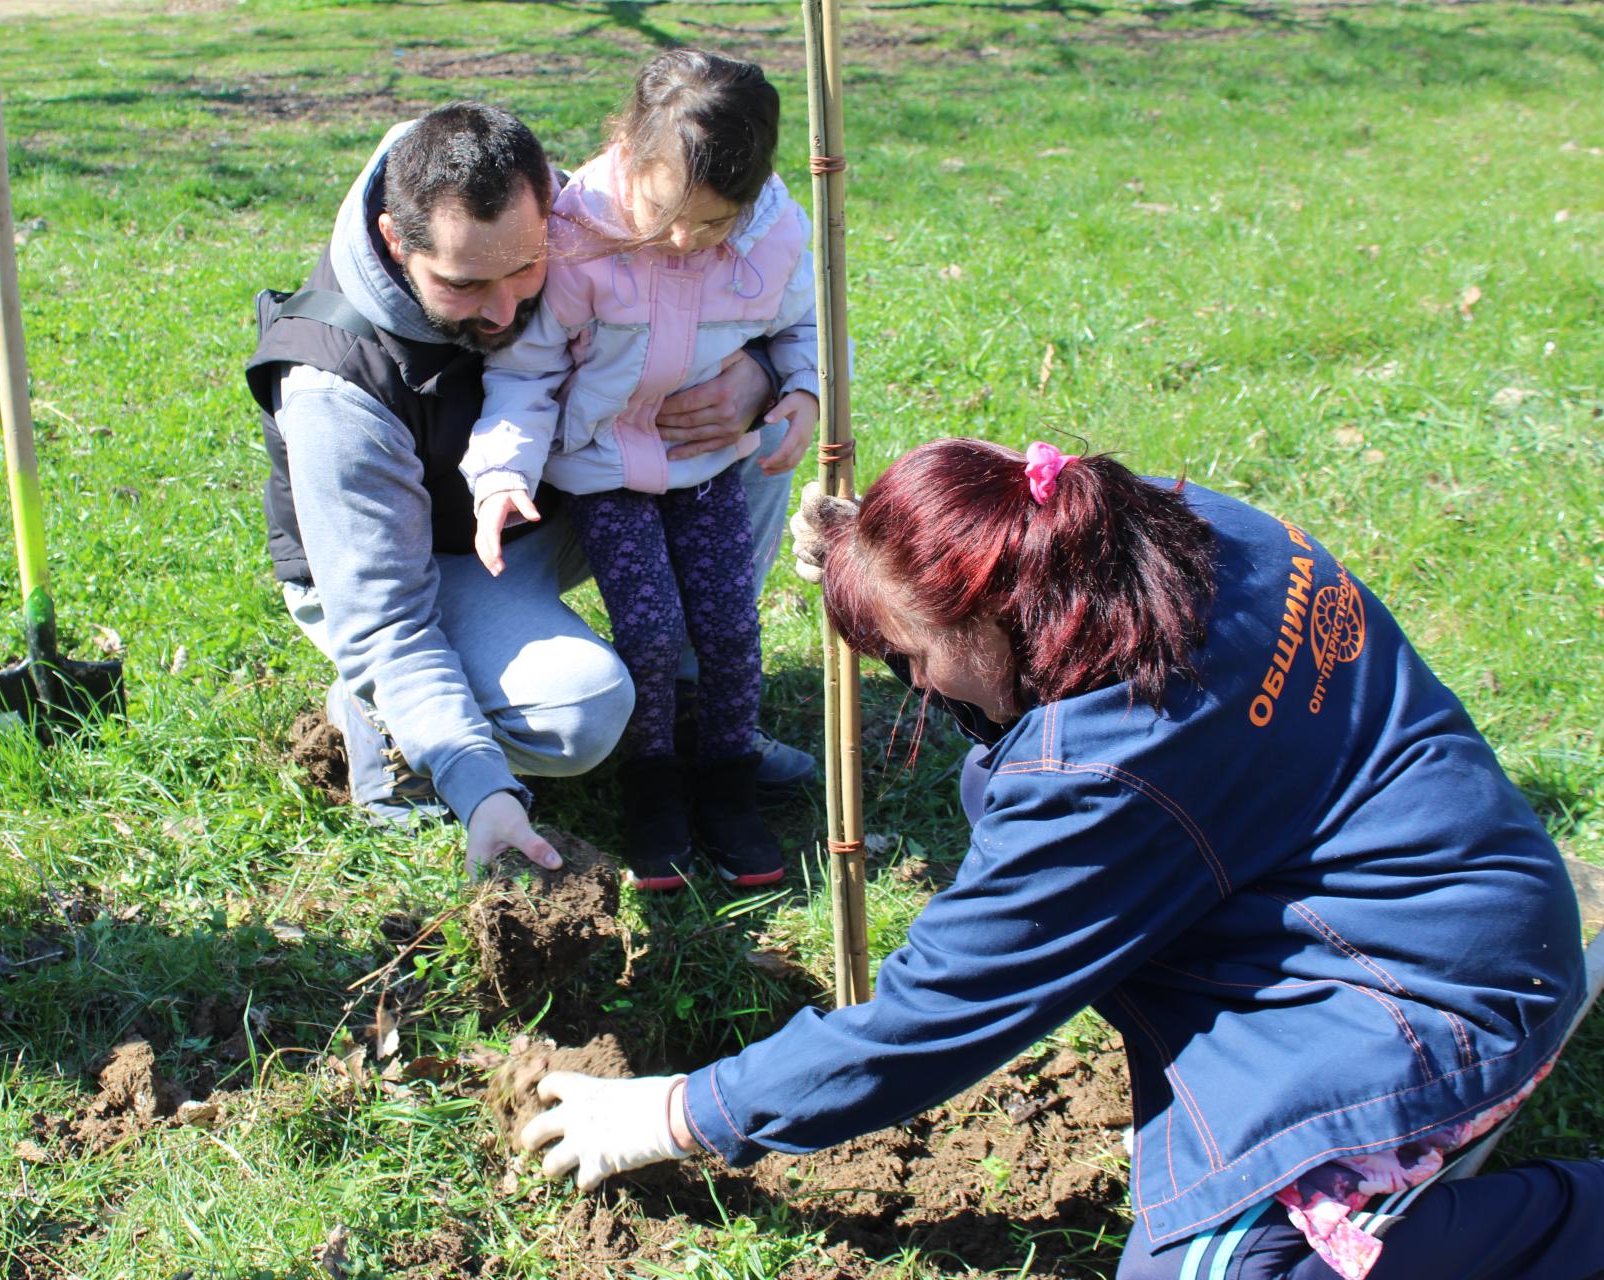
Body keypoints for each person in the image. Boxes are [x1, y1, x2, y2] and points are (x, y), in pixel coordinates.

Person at [518, 438, 1601, 1278]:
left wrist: (675, 1112)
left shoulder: (1102, 781)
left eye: (911, 655)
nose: (919, 684)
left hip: (1425, 1001)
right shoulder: (1185, 528)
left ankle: (1552, 1217)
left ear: (995, 609)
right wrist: (877, 558)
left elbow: (926, 1022)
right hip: (1478, 885)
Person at [244, 101, 813, 878]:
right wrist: (481, 788)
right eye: (464, 286)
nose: (506, 311)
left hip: (548, 506)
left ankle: (692, 703)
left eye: (526, 269)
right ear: (394, 241)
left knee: (740, 441)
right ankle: (392, 721)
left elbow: (707, 307)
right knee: (581, 713)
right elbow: (386, 618)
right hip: (422, 565)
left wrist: (763, 377)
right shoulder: (333, 384)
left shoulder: (585, 215)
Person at [462, 50, 819, 890]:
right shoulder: (578, 235)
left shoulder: (774, 234)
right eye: (667, 214)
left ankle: (727, 780)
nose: (687, 239)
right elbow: (526, 372)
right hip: (605, 471)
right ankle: (653, 785)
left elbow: (802, 324)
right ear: (626, 145)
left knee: (729, 625)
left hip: (707, 462)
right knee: (651, 633)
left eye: (716, 222)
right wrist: (501, 474)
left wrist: (800, 387)